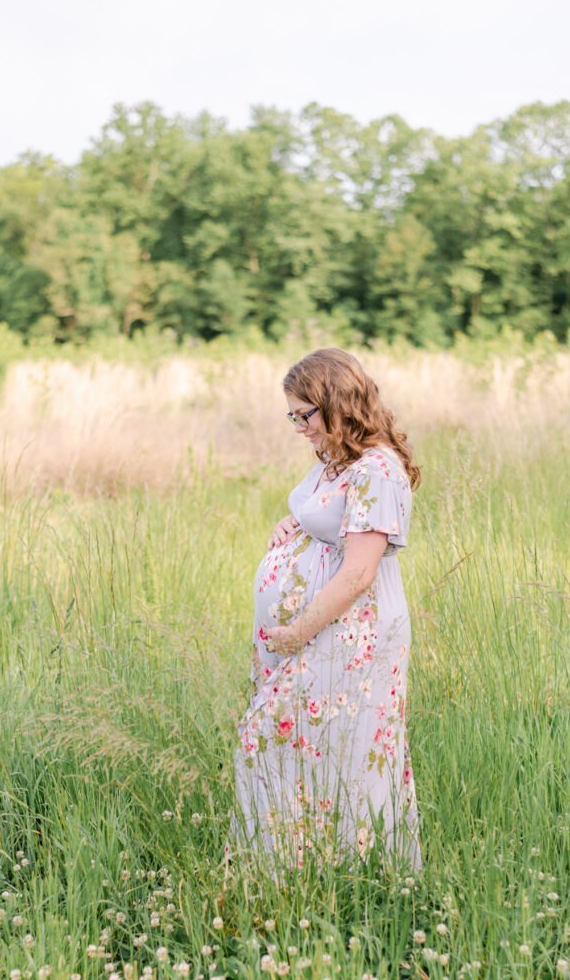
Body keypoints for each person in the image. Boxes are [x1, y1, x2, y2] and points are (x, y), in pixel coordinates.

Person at [229, 348, 422, 872]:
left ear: (337, 403)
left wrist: (298, 632)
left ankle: (352, 873)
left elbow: (360, 572)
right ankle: (301, 870)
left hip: (345, 634)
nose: (298, 427)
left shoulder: (378, 469)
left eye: (304, 414)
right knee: (307, 749)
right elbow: (328, 521)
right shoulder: (340, 461)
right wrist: (291, 525)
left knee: (291, 741)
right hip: (316, 632)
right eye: (291, 415)